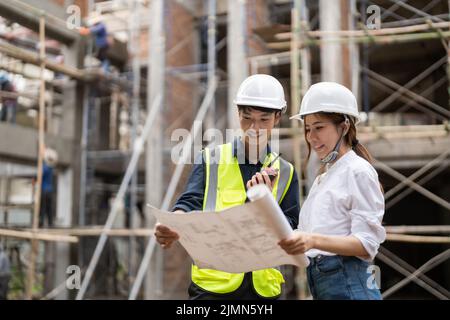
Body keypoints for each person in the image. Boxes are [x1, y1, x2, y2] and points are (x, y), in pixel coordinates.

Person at [155, 74, 300, 300]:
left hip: (263, 290)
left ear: (277, 118)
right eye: (247, 118)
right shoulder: (211, 159)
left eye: (264, 120)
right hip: (214, 287)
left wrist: (266, 208)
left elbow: (291, 227)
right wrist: (174, 223)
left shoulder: (286, 171)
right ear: (238, 114)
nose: (255, 128)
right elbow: (189, 202)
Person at [276, 82, 385, 300]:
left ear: (344, 126)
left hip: (349, 285)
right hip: (323, 285)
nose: (311, 137)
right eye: (307, 129)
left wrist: (313, 240)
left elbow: (366, 244)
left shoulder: (358, 171)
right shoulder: (324, 178)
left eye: (319, 127)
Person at [39, 148, 58, 227]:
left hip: (44, 190)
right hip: (49, 191)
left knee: (42, 207)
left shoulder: (44, 167)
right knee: (49, 208)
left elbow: (40, 176)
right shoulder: (51, 168)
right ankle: (50, 223)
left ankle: (41, 222)